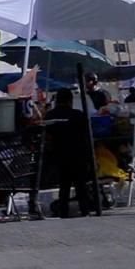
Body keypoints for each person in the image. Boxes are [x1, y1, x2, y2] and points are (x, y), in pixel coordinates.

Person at [44, 88, 90, 218]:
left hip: (59, 155)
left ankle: (63, 211)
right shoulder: (78, 115)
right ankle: (84, 209)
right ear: (70, 101)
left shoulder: (50, 116)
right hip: (78, 155)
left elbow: (46, 136)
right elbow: (86, 134)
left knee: (64, 186)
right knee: (81, 185)